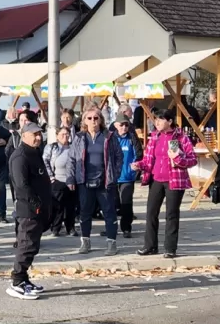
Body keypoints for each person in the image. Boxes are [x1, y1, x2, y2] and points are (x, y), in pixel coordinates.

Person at [133, 109, 197, 258]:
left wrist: (178, 159)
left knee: (171, 214)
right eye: (156, 120)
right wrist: (139, 164)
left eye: (161, 120)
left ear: (169, 121)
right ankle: (150, 246)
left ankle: (170, 248)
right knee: (151, 213)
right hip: (156, 179)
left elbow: (192, 159)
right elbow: (149, 160)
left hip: (174, 180)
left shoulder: (180, 138)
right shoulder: (154, 137)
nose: (157, 122)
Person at [69, 106, 124, 256]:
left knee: (109, 212)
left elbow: (119, 157)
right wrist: (70, 177)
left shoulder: (109, 136)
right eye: (89, 118)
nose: (93, 121)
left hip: (105, 181)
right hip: (84, 181)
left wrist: (115, 174)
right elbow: (72, 159)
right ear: (84, 121)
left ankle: (111, 243)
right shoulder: (79, 137)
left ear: (101, 120)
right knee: (85, 212)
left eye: (96, 118)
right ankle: (85, 242)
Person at [7, 123, 50, 300]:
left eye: (40, 134)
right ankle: (17, 281)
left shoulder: (35, 152)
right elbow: (21, 185)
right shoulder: (20, 156)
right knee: (26, 245)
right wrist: (36, 203)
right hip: (28, 209)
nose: (38, 137)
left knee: (33, 246)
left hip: (39, 209)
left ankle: (24, 278)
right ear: (24, 136)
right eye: (34, 134)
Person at [113, 114, 144, 239]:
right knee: (112, 204)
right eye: (122, 125)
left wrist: (136, 166)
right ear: (116, 125)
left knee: (126, 203)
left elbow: (139, 154)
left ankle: (126, 228)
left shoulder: (132, 138)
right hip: (113, 177)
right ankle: (111, 228)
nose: (124, 127)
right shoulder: (111, 138)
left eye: (127, 125)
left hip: (127, 176)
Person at [43, 127, 77, 237]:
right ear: (57, 135)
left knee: (71, 206)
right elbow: (45, 161)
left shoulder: (73, 147)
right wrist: (51, 177)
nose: (65, 136)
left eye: (67, 134)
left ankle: (70, 228)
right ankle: (55, 228)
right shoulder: (52, 147)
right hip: (57, 180)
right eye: (62, 134)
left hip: (71, 180)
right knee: (57, 207)